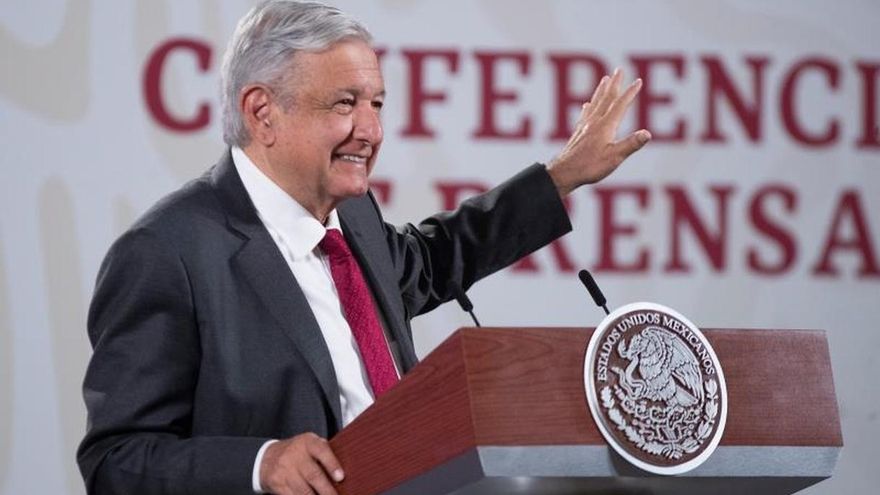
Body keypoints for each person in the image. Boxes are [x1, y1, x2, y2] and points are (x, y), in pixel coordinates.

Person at [77, 1, 651, 494]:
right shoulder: (167, 251)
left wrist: (560, 178)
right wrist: (260, 464)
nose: (371, 131)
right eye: (344, 104)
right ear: (262, 111)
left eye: (376, 104)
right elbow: (116, 462)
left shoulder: (353, 218)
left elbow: (434, 258)